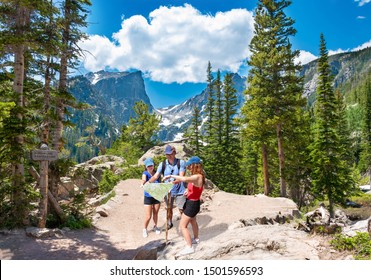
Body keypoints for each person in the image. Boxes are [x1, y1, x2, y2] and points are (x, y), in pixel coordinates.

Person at [163, 156, 205, 256]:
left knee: (182, 226)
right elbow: (195, 188)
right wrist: (188, 191)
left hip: (192, 204)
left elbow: (184, 179)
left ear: (195, 165)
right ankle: (196, 239)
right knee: (193, 221)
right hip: (194, 202)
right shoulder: (198, 176)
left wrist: (170, 176)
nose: (188, 168)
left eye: (190, 166)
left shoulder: (197, 176)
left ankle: (189, 247)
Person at [146, 144, 186, 229]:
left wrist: (172, 183)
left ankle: (184, 224)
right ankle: (169, 222)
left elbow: (181, 177)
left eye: (171, 154)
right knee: (169, 208)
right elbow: (156, 176)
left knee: (182, 209)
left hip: (180, 190)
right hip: (168, 191)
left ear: (174, 153)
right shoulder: (163, 164)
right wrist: (147, 183)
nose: (169, 156)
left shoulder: (181, 163)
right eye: (167, 154)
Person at [140, 157, 161, 238]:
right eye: (148, 166)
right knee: (148, 215)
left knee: (155, 213)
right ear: (146, 167)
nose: (150, 167)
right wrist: (142, 183)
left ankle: (155, 226)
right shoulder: (145, 173)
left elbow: (159, 183)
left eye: (151, 165)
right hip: (148, 196)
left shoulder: (157, 174)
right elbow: (143, 179)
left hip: (156, 196)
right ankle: (144, 229)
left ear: (153, 165)